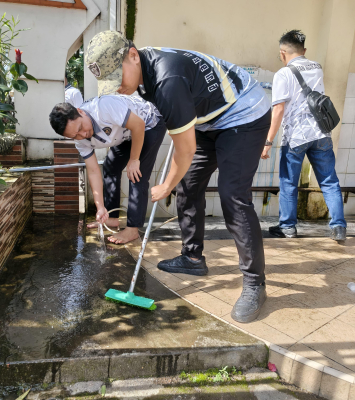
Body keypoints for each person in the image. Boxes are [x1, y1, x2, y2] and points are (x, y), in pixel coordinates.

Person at [85, 31, 271, 323]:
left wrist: (165, 186)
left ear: (132, 55)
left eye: (117, 78)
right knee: (189, 185)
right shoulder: (144, 73)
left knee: (232, 195)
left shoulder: (166, 79)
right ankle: (192, 257)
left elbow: (185, 150)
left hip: (244, 113)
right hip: (210, 120)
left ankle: (255, 283)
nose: (117, 87)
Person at [261, 30, 346, 242]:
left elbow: (278, 109)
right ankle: (339, 227)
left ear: (282, 53)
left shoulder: (283, 74)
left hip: (296, 137)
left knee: (288, 183)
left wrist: (268, 141)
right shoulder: (316, 67)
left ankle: (288, 227)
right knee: (329, 181)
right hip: (321, 134)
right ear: (304, 50)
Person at [49, 95, 166, 244]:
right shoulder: (80, 141)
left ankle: (132, 229)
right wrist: (100, 207)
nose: (83, 135)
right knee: (111, 167)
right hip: (127, 133)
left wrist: (134, 159)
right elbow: (93, 171)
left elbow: (138, 125)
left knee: (136, 174)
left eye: (80, 128)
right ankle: (111, 218)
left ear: (81, 111)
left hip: (149, 122)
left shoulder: (103, 108)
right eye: (75, 135)